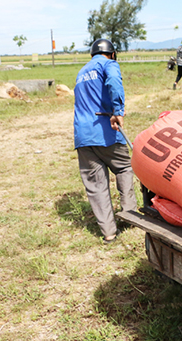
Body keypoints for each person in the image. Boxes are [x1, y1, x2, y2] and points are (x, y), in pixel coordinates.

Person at [73, 38, 137, 244]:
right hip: (106, 130)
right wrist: (118, 110)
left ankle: (109, 233)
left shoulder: (82, 72)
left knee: (96, 184)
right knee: (124, 168)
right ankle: (130, 215)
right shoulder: (108, 64)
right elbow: (114, 83)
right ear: (111, 53)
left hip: (83, 136)